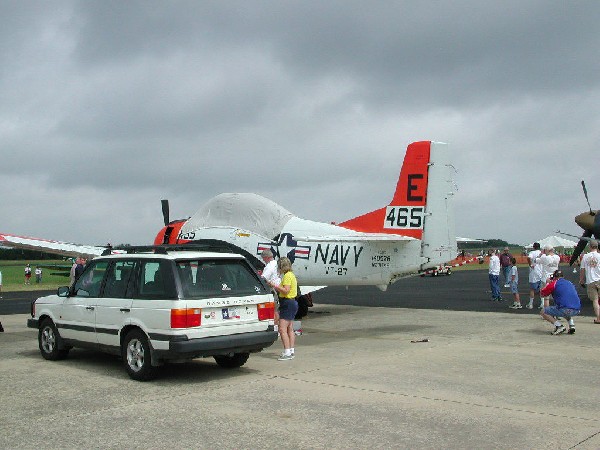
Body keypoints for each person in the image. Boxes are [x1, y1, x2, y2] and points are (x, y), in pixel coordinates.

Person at [267, 257, 298, 361]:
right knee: (290, 328)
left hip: (287, 303)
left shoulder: (287, 276)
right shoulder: (291, 275)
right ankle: (291, 350)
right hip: (292, 302)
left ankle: (287, 351)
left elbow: (286, 290)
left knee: (282, 329)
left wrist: (274, 285)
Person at [540, 270, 580, 335]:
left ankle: (559, 326)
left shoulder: (554, 283)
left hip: (565, 309)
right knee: (565, 307)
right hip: (576, 309)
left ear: (554, 277)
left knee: (543, 311)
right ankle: (571, 324)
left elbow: (542, 294)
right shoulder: (569, 282)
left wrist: (547, 283)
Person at [579, 239, 600, 324]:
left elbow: (582, 269)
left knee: (595, 300)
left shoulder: (585, 256)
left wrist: (581, 280)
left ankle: (598, 318)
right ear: (597, 246)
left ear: (590, 246)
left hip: (591, 280)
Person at [260, 249, 281, 329]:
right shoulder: (276, 263)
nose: (263, 260)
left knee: (274, 310)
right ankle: (277, 327)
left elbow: (263, 278)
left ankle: (275, 328)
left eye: (263, 258)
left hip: (273, 290)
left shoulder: (269, 266)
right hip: (279, 288)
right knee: (277, 310)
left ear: (267, 257)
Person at [536, 245, 560, 309]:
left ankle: (547, 312)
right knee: (555, 296)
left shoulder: (544, 257)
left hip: (546, 278)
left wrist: (541, 254)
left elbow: (536, 260)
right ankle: (556, 312)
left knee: (546, 298)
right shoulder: (557, 257)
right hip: (554, 277)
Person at [526, 242, 543, 309]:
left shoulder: (532, 253)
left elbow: (528, 258)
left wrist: (530, 264)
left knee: (532, 289)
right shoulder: (542, 253)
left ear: (533, 247)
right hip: (541, 272)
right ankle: (542, 303)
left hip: (534, 272)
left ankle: (531, 303)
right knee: (541, 289)